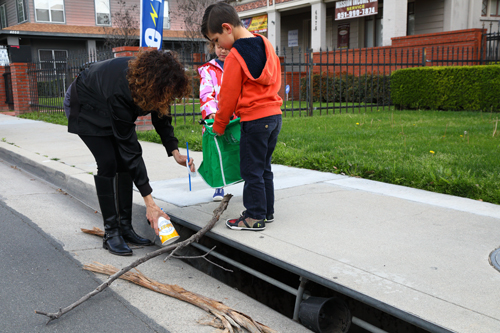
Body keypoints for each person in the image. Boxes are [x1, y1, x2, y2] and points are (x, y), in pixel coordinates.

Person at [65, 50, 195, 255]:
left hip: (108, 103)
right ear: (153, 84)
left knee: (123, 163)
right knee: (108, 161)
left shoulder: (156, 85)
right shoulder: (122, 89)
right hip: (85, 105)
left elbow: (161, 116)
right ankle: (111, 232)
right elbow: (131, 148)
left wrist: (174, 150)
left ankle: (125, 228)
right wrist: (150, 203)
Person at [201, 2, 283, 231]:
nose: (218, 46)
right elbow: (276, 77)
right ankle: (267, 211)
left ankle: (254, 216)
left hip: (255, 121)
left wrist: (218, 125)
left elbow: (227, 97)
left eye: (216, 40)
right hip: (274, 117)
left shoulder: (236, 56)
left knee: (250, 170)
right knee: (264, 167)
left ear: (227, 28)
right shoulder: (265, 44)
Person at [198, 41, 231, 202]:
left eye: (226, 47)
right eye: (219, 47)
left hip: (236, 115)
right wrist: (211, 112)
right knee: (217, 151)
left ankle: (243, 180)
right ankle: (219, 186)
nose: (223, 51)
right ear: (213, 47)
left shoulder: (238, 66)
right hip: (216, 116)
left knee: (237, 149)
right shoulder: (208, 70)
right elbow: (205, 92)